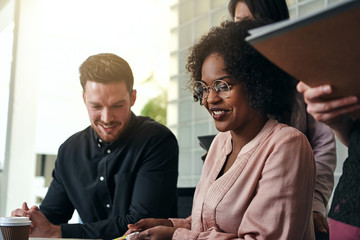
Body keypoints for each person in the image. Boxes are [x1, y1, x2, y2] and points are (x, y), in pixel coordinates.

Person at [124, 19, 316, 239]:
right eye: (204, 88)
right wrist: (170, 224)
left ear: (256, 84)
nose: (210, 99)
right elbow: (209, 224)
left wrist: (175, 236)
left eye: (223, 86)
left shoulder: (287, 145)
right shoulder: (220, 143)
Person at [11, 53, 179, 240]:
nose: (107, 118)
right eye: (96, 106)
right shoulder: (69, 150)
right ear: (84, 99)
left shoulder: (157, 140)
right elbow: (52, 218)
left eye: (117, 105)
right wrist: (31, 221)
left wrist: (57, 232)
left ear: (132, 98)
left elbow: (142, 223)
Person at [228, 0, 337, 238]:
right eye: (238, 23)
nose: (243, 30)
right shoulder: (233, 72)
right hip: (242, 213)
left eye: (251, 21)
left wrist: (316, 201)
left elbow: (324, 143)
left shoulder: (300, 68)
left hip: (292, 205)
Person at [297, 81, 360, 240]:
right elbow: (355, 139)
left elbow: (323, 145)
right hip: (349, 209)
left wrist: (316, 202)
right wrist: (336, 120)